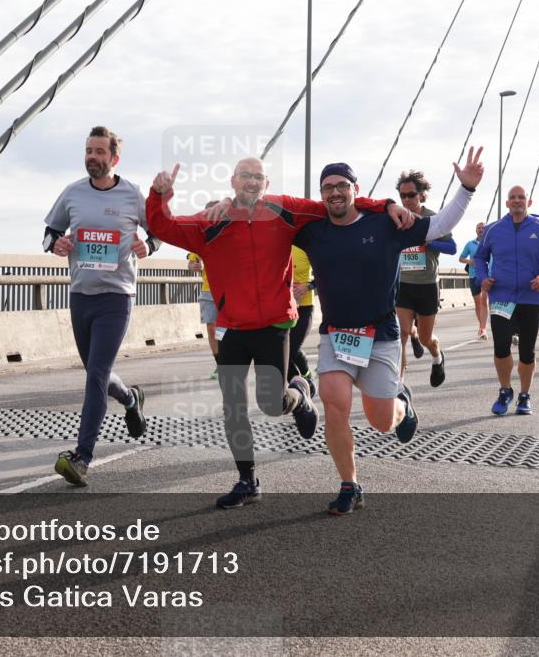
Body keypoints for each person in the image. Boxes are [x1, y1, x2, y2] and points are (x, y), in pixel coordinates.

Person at [146, 157, 412, 509]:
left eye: (258, 177)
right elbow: (162, 226)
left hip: (273, 323)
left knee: (271, 404)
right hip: (231, 327)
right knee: (233, 407)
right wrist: (159, 195)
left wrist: (386, 204)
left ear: (266, 182)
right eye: (245, 176)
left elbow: (336, 202)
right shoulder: (212, 221)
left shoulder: (286, 210)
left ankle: (300, 391)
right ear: (233, 181)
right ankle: (247, 480)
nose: (252, 182)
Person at [294, 148, 483, 515]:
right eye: (327, 187)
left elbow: (439, 226)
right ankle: (350, 484)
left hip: (380, 334)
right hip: (335, 334)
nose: (335, 192)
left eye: (342, 185)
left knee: (382, 421)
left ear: (355, 189)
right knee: (335, 404)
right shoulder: (312, 232)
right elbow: (270, 225)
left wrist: (466, 189)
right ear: (321, 194)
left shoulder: (385, 224)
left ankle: (402, 403)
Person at [43, 126, 157, 486]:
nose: (92, 157)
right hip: (80, 294)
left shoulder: (131, 194)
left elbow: (157, 230)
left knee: (95, 374)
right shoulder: (73, 193)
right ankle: (130, 399)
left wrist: (148, 247)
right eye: (88, 151)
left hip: (117, 295)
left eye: (99, 152)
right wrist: (55, 245)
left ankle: (82, 456)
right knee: (98, 372)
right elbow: (50, 230)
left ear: (114, 158)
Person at [473, 185, 539, 416]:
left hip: (531, 298)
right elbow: (479, 258)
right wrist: (482, 278)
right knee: (501, 346)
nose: (517, 201)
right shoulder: (493, 230)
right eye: (513, 198)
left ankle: (524, 395)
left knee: (527, 351)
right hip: (501, 296)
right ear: (507, 204)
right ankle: (505, 390)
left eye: (521, 197)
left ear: (528, 202)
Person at [395, 170, 457, 386]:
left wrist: (430, 242)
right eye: (402, 196)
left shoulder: (433, 219)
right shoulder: (396, 218)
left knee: (425, 338)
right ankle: (399, 386)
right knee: (401, 335)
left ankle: (437, 357)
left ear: (421, 195)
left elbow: (452, 248)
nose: (406, 200)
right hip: (403, 285)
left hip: (427, 286)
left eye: (411, 195)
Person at [289, 246, 317, 395]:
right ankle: (299, 390)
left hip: (304, 307)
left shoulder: (305, 245)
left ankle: (307, 378)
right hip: (282, 308)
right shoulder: (277, 245)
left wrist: (308, 286)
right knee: (282, 353)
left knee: (291, 348)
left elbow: (325, 272)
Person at [187, 248, 218, 379]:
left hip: (229, 288)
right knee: (211, 329)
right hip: (208, 290)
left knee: (228, 330)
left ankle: (232, 361)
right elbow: (191, 263)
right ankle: (220, 364)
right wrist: (194, 266)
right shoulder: (202, 238)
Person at [459, 221, 489, 339]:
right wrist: (469, 261)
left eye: (483, 228)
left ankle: (483, 328)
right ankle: (481, 326)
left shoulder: (489, 243)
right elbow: (461, 258)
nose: (481, 229)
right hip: (473, 275)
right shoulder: (470, 244)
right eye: (479, 228)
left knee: (484, 300)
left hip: (486, 276)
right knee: (478, 302)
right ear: (476, 230)